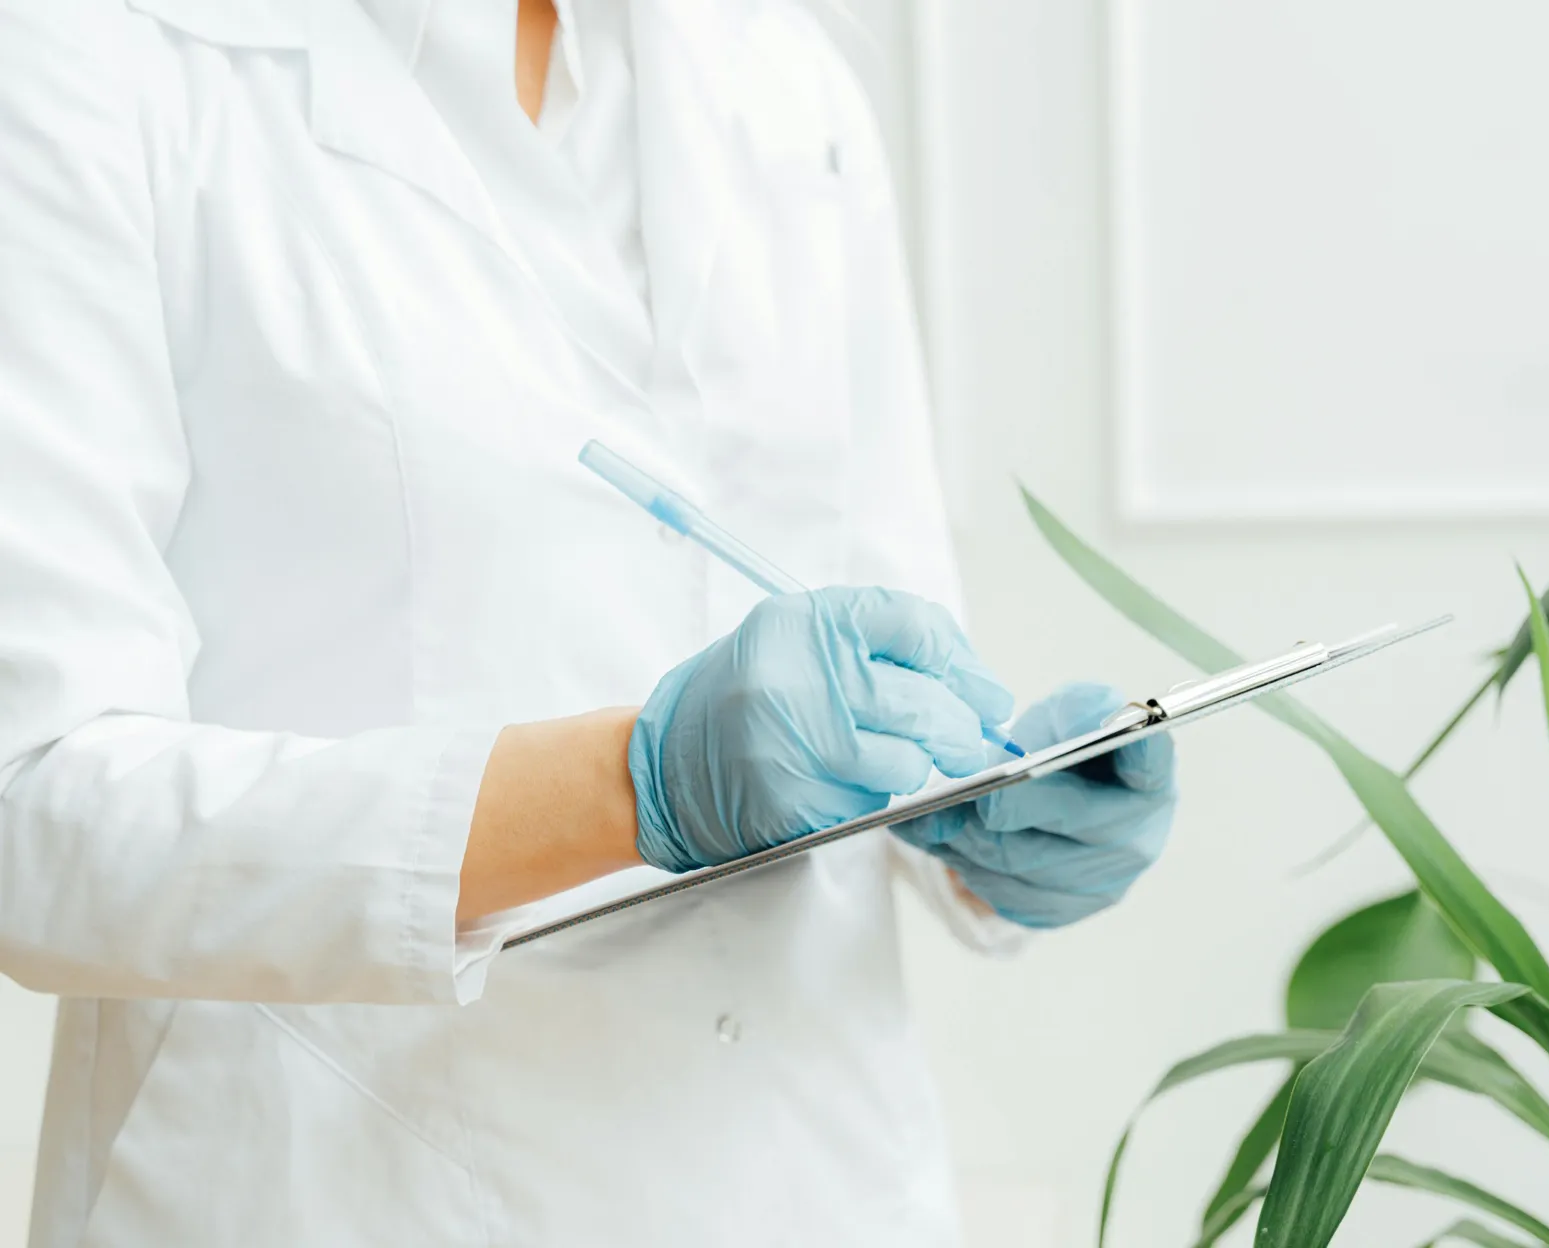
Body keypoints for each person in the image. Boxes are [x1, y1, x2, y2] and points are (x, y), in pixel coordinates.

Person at [0, 0, 1178, 1243]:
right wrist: (638, 786)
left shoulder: (784, 74)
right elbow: (33, 807)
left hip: (818, 1176)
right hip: (342, 1189)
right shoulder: (87, 60)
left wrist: (989, 804)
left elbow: (880, 632)